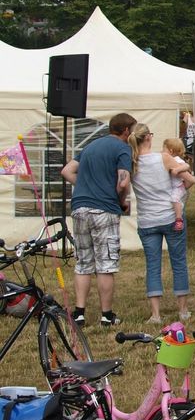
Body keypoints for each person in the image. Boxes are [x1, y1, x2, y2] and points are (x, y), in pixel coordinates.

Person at [61, 112, 138, 327]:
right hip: (104, 209)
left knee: (83, 262)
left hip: (79, 207)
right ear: (126, 131)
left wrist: (85, 185)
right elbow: (123, 182)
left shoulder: (91, 146)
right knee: (105, 264)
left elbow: (66, 171)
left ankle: (79, 313)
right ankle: (106, 315)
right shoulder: (122, 148)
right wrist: (121, 201)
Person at [129, 125, 195, 324]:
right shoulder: (164, 158)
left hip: (147, 219)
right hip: (170, 216)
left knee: (152, 266)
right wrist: (179, 193)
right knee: (179, 262)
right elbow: (189, 180)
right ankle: (183, 310)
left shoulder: (132, 162)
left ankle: (155, 314)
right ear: (149, 137)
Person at [161, 139, 194, 229]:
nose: (162, 151)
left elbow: (186, 166)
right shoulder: (168, 160)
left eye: (164, 149)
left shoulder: (176, 160)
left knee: (175, 199)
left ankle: (179, 219)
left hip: (178, 186)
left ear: (171, 151)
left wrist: (177, 169)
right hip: (174, 186)